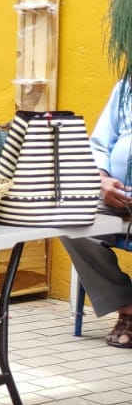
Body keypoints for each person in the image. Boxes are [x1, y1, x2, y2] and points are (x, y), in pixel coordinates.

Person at [61, 80, 132, 346]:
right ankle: (127, 307)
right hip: (119, 194)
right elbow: (100, 145)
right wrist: (101, 180)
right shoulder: (126, 87)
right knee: (70, 220)